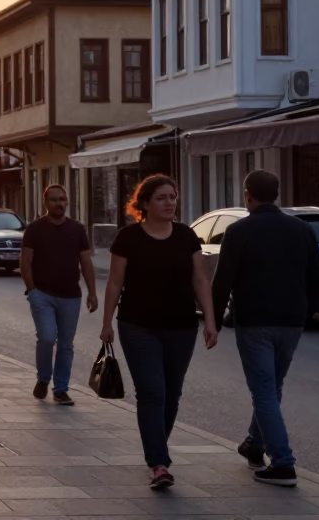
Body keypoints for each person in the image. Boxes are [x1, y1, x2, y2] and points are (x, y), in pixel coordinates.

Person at [100, 174, 218, 490]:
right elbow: (114, 281)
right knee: (152, 391)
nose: (169, 203)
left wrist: (210, 320)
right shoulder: (128, 237)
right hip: (137, 325)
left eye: (173, 197)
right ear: (145, 204)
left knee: (171, 394)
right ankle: (159, 463)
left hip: (181, 326)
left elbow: (200, 280)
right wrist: (106, 323)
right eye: (162, 198)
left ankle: (157, 450)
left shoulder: (185, 236)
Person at [212, 170, 319, 487]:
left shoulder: (238, 230)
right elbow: (318, 277)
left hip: (254, 321)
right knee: (271, 387)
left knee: (263, 390)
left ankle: (283, 463)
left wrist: (213, 320)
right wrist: (307, 311)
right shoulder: (301, 229)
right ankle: (254, 444)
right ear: (276, 194)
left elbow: (223, 281)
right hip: (291, 322)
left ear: (247, 194)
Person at [20, 184, 97, 406]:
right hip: (42, 294)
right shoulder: (35, 229)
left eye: (62, 199)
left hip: (71, 296)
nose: (59, 204)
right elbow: (25, 261)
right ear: (46, 202)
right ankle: (43, 378)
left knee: (66, 345)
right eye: (54, 200)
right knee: (46, 337)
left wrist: (92, 292)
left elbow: (86, 262)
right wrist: (32, 290)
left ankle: (61, 389)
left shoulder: (77, 229)